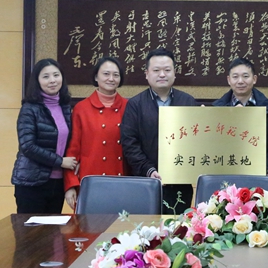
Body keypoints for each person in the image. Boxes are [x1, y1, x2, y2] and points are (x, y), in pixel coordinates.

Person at [120, 48, 198, 214]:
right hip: (146, 182)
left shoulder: (188, 102)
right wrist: (148, 170)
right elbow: (129, 143)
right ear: (147, 74)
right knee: (146, 228)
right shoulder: (135, 104)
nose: (162, 74)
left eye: (167, 70)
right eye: (156, 70)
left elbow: (196, 142)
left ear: (174, 73)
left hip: (180, 185)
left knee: (178, 226)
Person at [11, 58, 77, 214]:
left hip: (57, 183)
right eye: (46, 76)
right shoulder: (29, 108)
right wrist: (60, 161)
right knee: (31, 229)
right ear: (37, 81)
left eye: (56, 75)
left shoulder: (65, 107)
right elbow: (28, 146)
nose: (52, 80)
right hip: (31, 182)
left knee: (52, 229)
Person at [63, 57, 128, 210]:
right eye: (106, 74)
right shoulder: (81, 108)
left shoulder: (129, 106)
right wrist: (70, 185)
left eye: (116, 75)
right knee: (90, 224)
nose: (111, 78)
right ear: (96, 77)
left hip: (124, 181)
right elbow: (73, 151)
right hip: (91, 181)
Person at [212, 57, 268, 177]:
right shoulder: (217, 109)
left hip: (259, 173)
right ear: (229, 80)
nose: (240, 81)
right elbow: (213, 145)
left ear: (254, 79)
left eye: (245, 76)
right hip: (225, 172)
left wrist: (266, 169)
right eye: (235, 77)